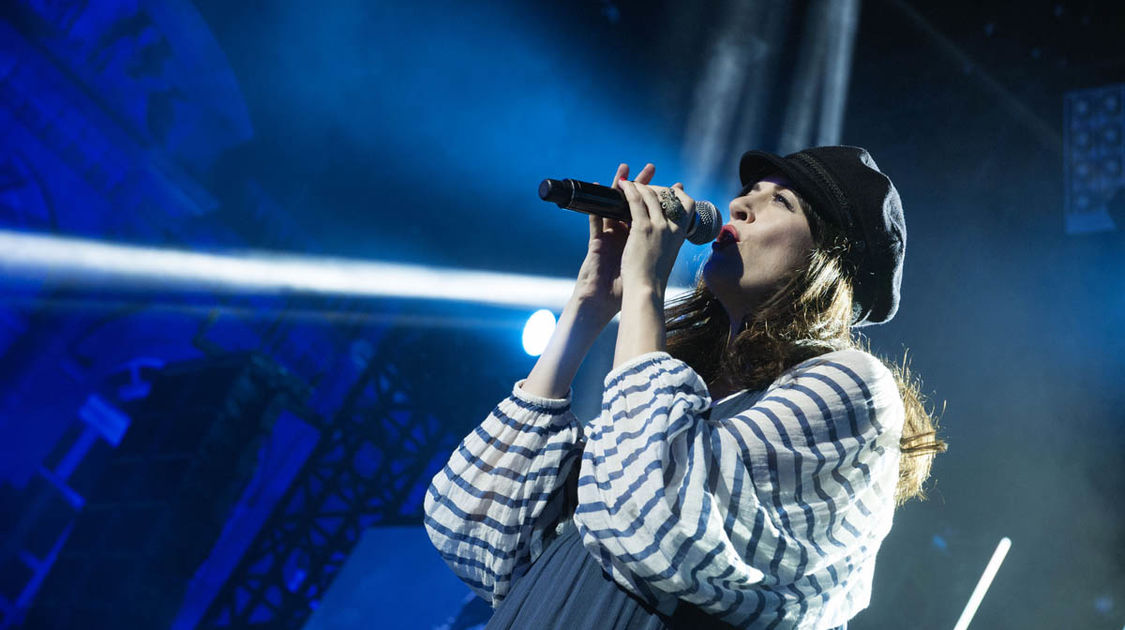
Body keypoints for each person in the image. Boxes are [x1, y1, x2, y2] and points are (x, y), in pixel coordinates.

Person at [424, 146, 945, 629]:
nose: (740, 204)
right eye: (749, 192)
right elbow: (478, 529)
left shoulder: (856, 387)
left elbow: (658, 514)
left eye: (780, 201)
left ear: (828, 261)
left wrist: (647, 284)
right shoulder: (673, 397)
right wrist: (589, 305)